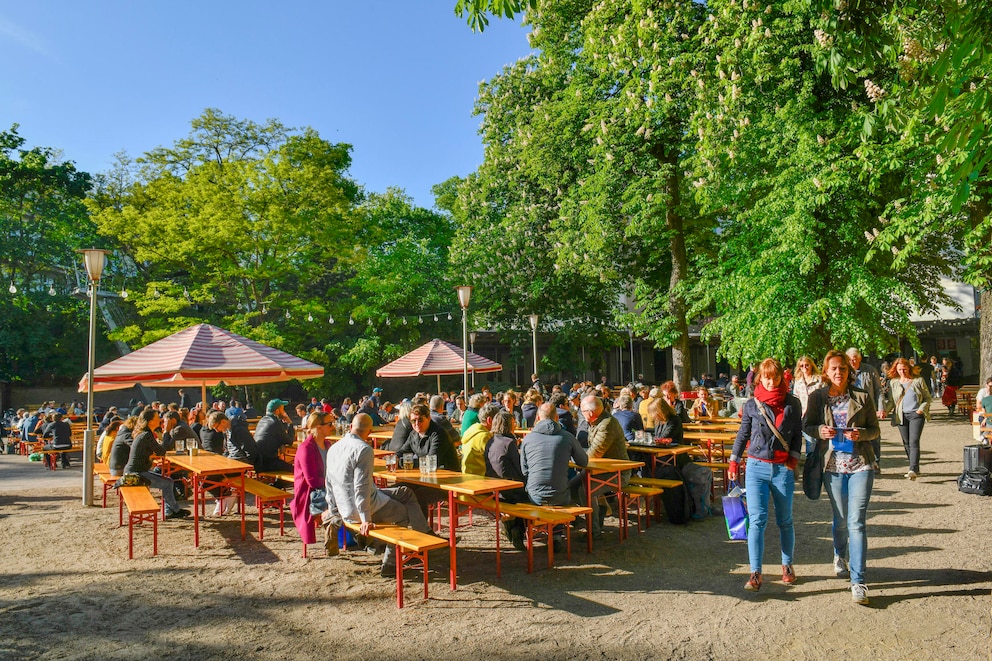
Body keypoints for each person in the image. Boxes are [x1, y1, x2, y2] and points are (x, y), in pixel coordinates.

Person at [804, 349, 881, 605]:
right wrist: (820, 430)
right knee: (840, 519)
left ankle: (858, 581)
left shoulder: (861, 396)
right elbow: (807, 426)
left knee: (857, 522)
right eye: (834, 368)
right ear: (826, 371)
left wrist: (861, 434)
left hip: (860, 464)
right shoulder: (818, 397)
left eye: (843, 368)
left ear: (850, 371)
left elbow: (875, 430)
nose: (839, 372)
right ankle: (840, 554)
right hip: (832, 466)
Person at [324, 413, 433, 577]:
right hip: (361, 508)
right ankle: (390, 563)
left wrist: (333, 510)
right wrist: (366, 519)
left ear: (351, 426)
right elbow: (361, 486)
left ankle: (426, 534)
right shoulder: (364, 449)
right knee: (403, 512)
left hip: (345, 505)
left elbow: (329, 483)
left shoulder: (334, 447)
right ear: (369, 432)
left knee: (405, 492)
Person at [728, 358, 803, 592]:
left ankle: (787, 565)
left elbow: (798, 435)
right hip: (756, 467)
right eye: (767, 377)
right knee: (757, 521)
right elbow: (743, 434)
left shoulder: (793, 403)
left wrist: (793, 457)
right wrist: (733, 461)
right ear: (761, 377)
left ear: (782, 377)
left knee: (785, 520)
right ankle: (755, 572)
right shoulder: (752, 404)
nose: (771, 381)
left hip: (782, 469)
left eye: (775, 377)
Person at [577, 395, 630, 536]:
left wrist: (576, 456)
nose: (580, 415)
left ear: (590, 413)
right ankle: (596, 511)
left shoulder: (607, 424)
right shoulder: (597, 422)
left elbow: (595, 453)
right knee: (570, 486)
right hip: (599, 470)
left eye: (582, 411)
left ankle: (593, 530)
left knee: (585, 490)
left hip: (618, 473)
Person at [123, 409, 189, 520]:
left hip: (131, 471)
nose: (160, 419)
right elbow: (162, 451)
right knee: (168, 483)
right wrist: (166, 431)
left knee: (168, 482)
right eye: (157, 417)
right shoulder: (147, 435)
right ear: (150, 421)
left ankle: (171, 511)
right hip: (135, 474)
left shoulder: (142, 433)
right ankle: (174, 511)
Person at [485, 409, 529, 550]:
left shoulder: (490, 441)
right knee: (530, 495)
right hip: (510, 489)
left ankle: (510, 525)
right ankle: (518, 531)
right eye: (513, 422)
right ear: (509, 424)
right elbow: (520, 468)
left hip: (493, 488)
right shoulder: (510, 443)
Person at [292, 412, 334, 553]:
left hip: (324, 489)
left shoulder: (328, 444)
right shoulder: (306, 448)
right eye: (329, 424)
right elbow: (312, 481)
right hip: (309, 494)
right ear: (319, 427)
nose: (332, 427)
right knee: (342, 502)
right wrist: (334, 485)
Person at [885, 358, 932, 480]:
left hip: (916, 414)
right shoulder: (894, 383)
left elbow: (927, 398)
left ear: (909, 368)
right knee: (906, 443)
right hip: (901, 415)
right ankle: (915, 467)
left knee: (914, 441)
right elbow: (891, 401)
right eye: (899, 370)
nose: (902, 372)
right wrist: (885, 411)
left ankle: (912, 468)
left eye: (904, 369)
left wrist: (921, 409)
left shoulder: (918, 381)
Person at [846, 348, 885, 468]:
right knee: (853, 435)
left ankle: (875, 462)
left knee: (873, 435)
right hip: (851, 410)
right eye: (850, 359)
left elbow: (878, 390)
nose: (853, 362)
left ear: (860, 358)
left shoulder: (870, 370)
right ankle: (858, 461)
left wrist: (881, 408)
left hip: (869, 408)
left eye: (855, 359)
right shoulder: (845, 371)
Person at [792, 356, 825, 457]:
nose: (804, 367)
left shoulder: (819, 379)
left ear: (811, 365)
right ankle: (810, 465)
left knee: (817, 442)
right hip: (804, 416)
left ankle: (816, 464)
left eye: (807, 365)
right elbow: (795, 398)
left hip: (818, 415)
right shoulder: (798, 381)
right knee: (810, 442)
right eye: (802, 366)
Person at [253, 398, 295, 473]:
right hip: (266, 462)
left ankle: (277, 484)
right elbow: (290, 441)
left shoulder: (262, 421)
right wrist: (290, 423)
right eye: (283, 409)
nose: (284, 412)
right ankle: (278, 484)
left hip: (257, 461)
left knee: (283, 464)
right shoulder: (275, 422)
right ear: (277, 411)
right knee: (294, 469)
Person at [460, 402, 501, 476]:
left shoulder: (471, 430)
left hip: (466, 475)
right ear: (489, 420)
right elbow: (495, 459)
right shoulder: (484, 436)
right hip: (480, 478)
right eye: (497, 420)